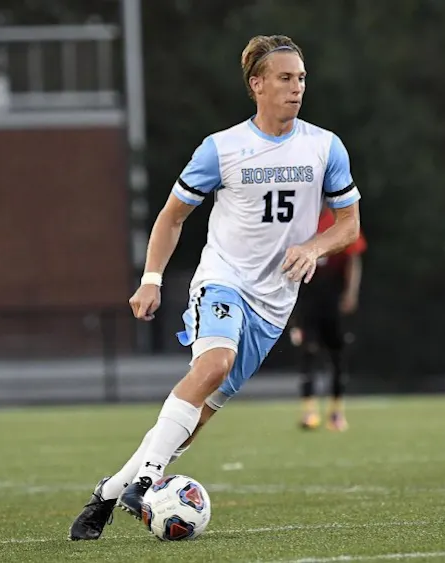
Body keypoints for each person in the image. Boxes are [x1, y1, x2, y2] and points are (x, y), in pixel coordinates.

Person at [69, 34, 362, 540]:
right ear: (257, 84)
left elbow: (350, 224)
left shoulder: (324, 146)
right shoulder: (222, 148)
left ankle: (109, 493)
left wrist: (314, 248)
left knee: (198, 419)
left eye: (302, 79)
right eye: (286, 78)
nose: (297, 88)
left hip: (274, 305)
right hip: (222, 281)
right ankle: (143, 483)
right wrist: (151, 280)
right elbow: (171, 217)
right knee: (214, 364)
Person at [289, 208, 366, 431]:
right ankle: (309, 411)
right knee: (308, 352)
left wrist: (351, 292)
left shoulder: (340, 221)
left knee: (337, 355)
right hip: (307, 298)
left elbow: (353, 257)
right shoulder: (299, 223)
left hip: (333, 298)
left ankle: (336, 413)